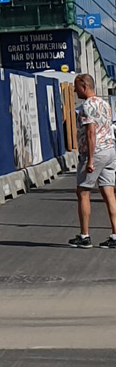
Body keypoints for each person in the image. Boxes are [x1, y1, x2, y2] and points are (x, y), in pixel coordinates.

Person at [69, 73, 116, 249]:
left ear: (84, 86)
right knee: (109, 193)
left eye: (76, 86)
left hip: (95, 153)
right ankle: (115, 235)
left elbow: (90, 133)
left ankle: (84, 236)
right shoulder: (104, 104)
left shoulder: (87, 106)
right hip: (110, 150)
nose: (74, 90)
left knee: (83, 192)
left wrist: (89, 160)